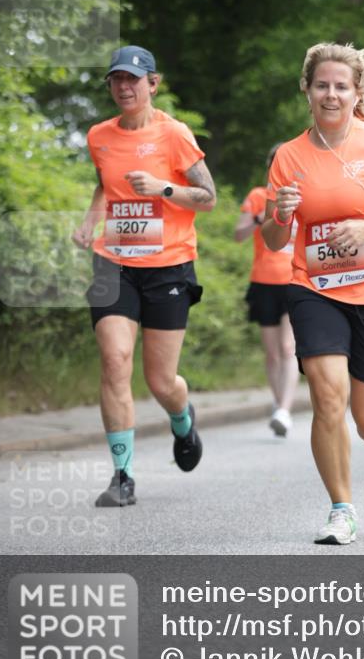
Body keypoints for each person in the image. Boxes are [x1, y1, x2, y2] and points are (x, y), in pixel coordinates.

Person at [262, 42, 364, 545]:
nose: (331, 94)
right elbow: (274, 239)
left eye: (341, 86)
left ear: (358, 92)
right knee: (327, 396)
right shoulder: (288, 157)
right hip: (314, 286)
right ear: (307, 89)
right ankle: (341, 509)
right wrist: (281, 213)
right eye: (322, 85)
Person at [72, 45, 217, 505]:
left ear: (152, 84)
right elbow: (105, 182)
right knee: (114, 361)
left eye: (133, 79)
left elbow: (208, 196)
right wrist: (91, 218)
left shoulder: (174, 135)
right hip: (113, 260)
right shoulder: (99, 135)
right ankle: (122, 477)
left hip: (168, 265)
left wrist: (163, 188)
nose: (124, 87)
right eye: (116, 79)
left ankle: (182, 419)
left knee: (160, 381)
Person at [234, 145, 299, 437]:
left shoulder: (302, 196)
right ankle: (278, 404)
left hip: (295, 279)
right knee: (272, 353)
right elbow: (238, 235)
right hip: (263, 279)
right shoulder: (258, 196)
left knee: (288, 348)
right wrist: (259, 219)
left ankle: (285, 410)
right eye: (276, 164)